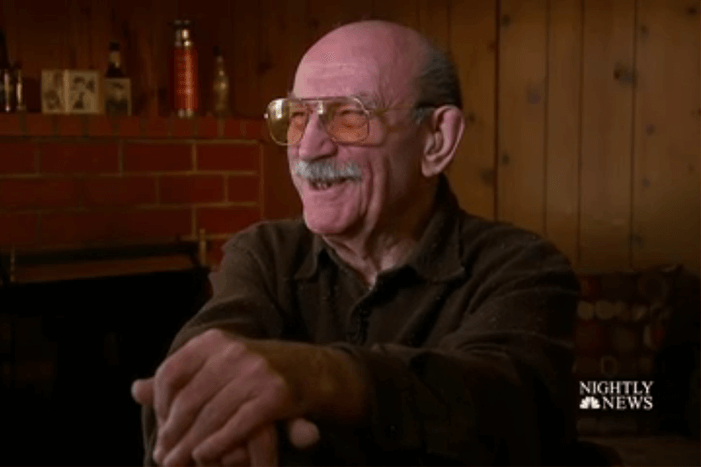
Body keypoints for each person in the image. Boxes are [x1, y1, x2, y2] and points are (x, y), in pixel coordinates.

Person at [132, 20, 580, 466]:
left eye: (348, 116)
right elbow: (176, 403)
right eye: (297, 117)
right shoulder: (265, 253)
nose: (308, 149)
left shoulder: (522, 266)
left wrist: (319, 378)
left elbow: (504, 414)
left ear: (436, 140)